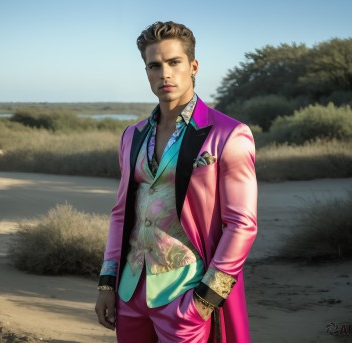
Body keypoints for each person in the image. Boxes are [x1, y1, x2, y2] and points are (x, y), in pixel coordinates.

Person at [94, 21, 257, 343]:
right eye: (154, 65)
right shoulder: (133, 135)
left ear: (193, 66)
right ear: (146, 71)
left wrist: (206, 299)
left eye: (174, 62)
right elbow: (120, 213)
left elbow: (242, 224)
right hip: (130, 291)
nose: (164, 73)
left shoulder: (228, 134)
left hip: (185, 292)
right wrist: (106, 284)